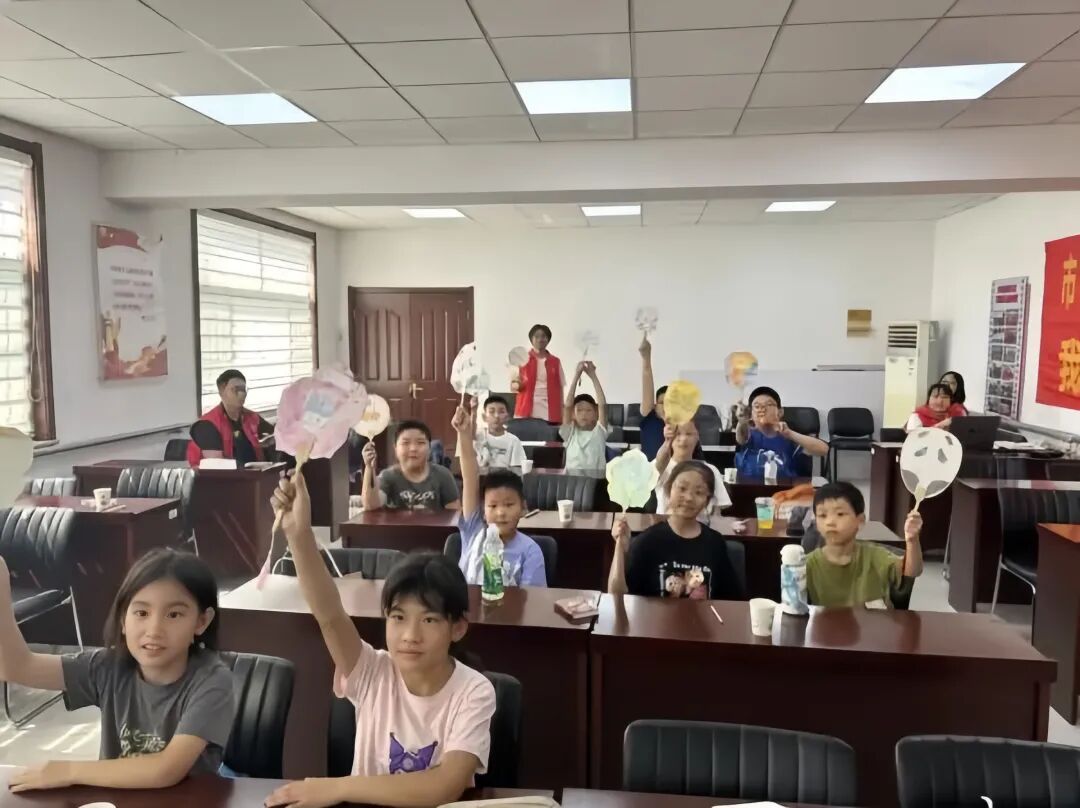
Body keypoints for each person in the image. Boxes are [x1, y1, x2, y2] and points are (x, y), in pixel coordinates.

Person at [266, 472, 496, 808]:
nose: (410, 636)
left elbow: (444, 787)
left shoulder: (474, 691)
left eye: (429, 620)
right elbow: (329, 615)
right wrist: (298, 535)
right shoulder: (372, 671)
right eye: (398, 618)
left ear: (457, 628)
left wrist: (338, 788)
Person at [0, 549, 234, 791]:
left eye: (174, 615)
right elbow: (17, 667)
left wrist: (67, 770)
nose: (154, 629)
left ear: (201, 622)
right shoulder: (108, 666)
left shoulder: (213, 680)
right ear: (123, 619)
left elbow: (166, 769)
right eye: (142, 613)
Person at [608, 461, 746, 600]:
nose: (689, 498)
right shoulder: (648, 542)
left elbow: (733, 600)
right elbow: (617, 596)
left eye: (699, 492)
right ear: (669, 490)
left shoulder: (715, 543)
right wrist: (620, 549)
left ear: (707, 500)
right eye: (682, 488)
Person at [453, 400, 546, 587]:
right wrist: (463, 434)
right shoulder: (474, 531)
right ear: (483, 511)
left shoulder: (530, 551)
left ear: (523, 508)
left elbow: (533, 598)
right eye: (493, 506)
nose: (501, 512)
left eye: (509, 505)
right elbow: (470, 478)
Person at [806, 482, 923, 608]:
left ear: (860, 521)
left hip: (870, 621)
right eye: (822, 515)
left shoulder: (875, 556)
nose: (829, 522)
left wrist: (912, 540)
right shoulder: (807, 565)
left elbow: (911, 572)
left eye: (840, 514)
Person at [361, 420, 460, 511]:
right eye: (405, 443)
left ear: (429, 449)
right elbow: (371, 505)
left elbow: (454, 515)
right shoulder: (388, 476)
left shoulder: (443, 475)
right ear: (395, 449)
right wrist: (369, 467)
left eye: (420, 443)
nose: (413, 448)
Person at [735, 386, 828, 478]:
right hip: (747, 486)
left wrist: (790, 434)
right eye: (757, 406)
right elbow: (740, 437)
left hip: (785, 486)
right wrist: (741, 420)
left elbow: (824, 450)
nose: (762, 409)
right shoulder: (748, 434)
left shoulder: (789, 436)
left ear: (780, 412)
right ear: (751, 414)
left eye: (769, 404)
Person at [187, 369, 274, 468]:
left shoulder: (253, 417)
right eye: (236, 389)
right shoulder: (206, 425)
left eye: (243, 389)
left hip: (257, 473)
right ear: (221, 392)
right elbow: (216, 467)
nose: (242, 394)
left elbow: (276, 436)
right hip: (222, 476)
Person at [654, 421, 731, 522]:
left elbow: (717, 511)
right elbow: (658, 466)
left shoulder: (710, 470)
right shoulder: (662, 466)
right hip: (666, 526)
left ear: (697, 436)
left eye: (689, 434)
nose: (683, 439)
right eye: (677, 434)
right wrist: (667, 442)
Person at [560, 361, 611, 472]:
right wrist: (576, 375)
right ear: (573, 414)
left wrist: (593, 376)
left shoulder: (599, 432)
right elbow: (568, 406)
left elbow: (602, 405)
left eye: (588, 410)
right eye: (579, 410)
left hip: (595, 481)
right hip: (572, 480)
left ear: (596, 414)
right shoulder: (570, 433)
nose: (584, 414)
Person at [511, 324, 565, 423]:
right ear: (531, 339)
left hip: (550, 407)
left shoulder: (555, 361)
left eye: (543, 336)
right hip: (526, 406)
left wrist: (562, 409)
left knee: (548, 431)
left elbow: (561, 386)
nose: (540, 339)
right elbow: (514, 385)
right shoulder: (522, 358)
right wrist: (517, 385)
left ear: (548, 339)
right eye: (537, 336)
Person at [471, 395, 526, 471]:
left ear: (507, 417)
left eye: (501, 412)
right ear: (484, 417)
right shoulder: (479, 435)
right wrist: (473, 412)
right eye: (491, 412)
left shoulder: (513, 441)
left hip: (505, 477)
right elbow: (468, 435)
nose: (496, 416)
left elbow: (518, 469)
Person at [637, 335, 667, 460]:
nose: (666, 407)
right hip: (650, 469)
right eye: (662, 402)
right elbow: (646, 372)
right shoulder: (650, 417)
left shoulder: (681, 427)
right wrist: (646, 357)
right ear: (655, 405)